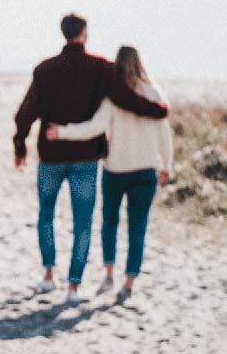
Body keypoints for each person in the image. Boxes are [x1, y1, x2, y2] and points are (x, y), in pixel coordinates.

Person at [13, 14, 169, 303]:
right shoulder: (101, 68)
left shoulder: (45, 69)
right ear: (84, 32)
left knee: (46, 215)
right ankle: (73, 286)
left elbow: (27, 110)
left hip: (51, 155)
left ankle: (48, 275)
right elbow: (126, 100)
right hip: (85, 158)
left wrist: (20, 144)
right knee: (83, 222)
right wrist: (158, 110)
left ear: (63, 33)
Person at [44, 45, 172, 303]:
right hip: (146, 170)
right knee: (138, 228)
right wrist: (166, 165)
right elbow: (164, 133)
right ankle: (129, 283)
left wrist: (62, 132)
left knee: (109, 223)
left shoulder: (114, 95)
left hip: (115, 170)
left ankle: (109, 273)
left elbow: (94, 127)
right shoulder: (155, 92)